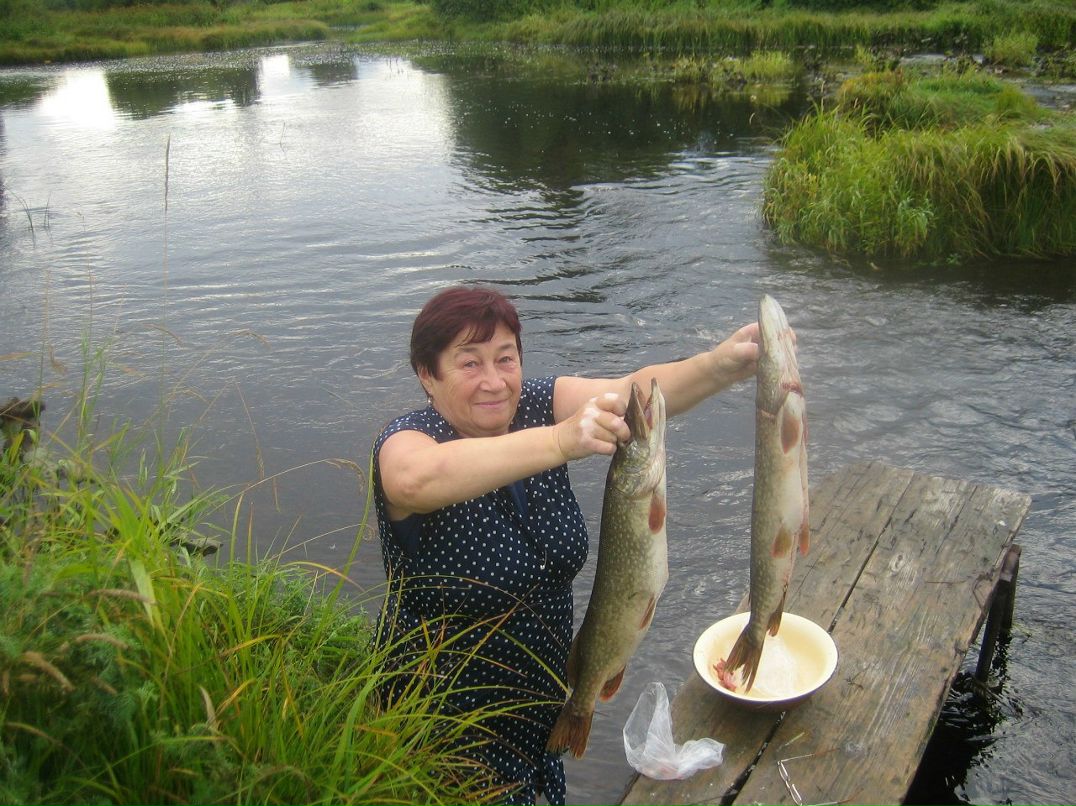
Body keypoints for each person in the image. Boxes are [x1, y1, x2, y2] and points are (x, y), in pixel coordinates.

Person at [371, 285, 760, 806]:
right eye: (469, 363)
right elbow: (412, 479)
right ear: (427, 374)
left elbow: (633, 393)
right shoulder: (410, 438)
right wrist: (559, 442)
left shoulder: (539, 404)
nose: (494, 381)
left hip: (544, 707)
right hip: (442, 724)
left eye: (505, 358)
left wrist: (720, 365)